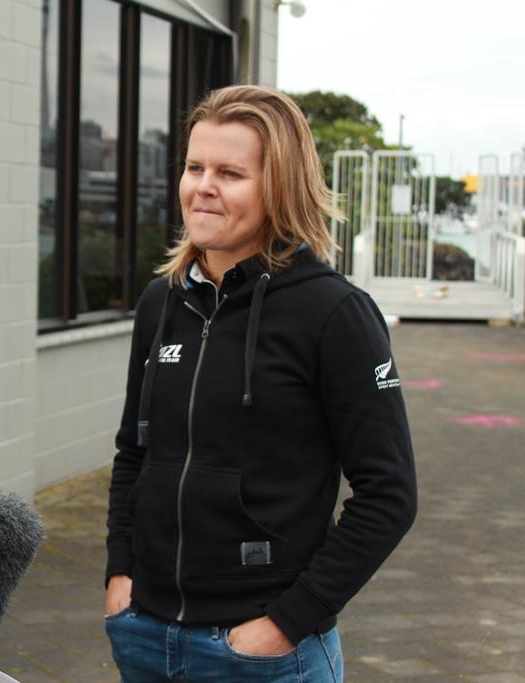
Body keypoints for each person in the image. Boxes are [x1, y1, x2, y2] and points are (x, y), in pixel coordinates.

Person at [103, 85, 417, 682]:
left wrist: (288, 622)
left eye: (230, 173)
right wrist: (120, 574)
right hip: (143, 632)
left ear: (280, 187)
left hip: (262, 653)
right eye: (195, 167)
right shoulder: (160, 303)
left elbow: (390, 494)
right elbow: (134, 452)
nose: (203, 187)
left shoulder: (334, 313)